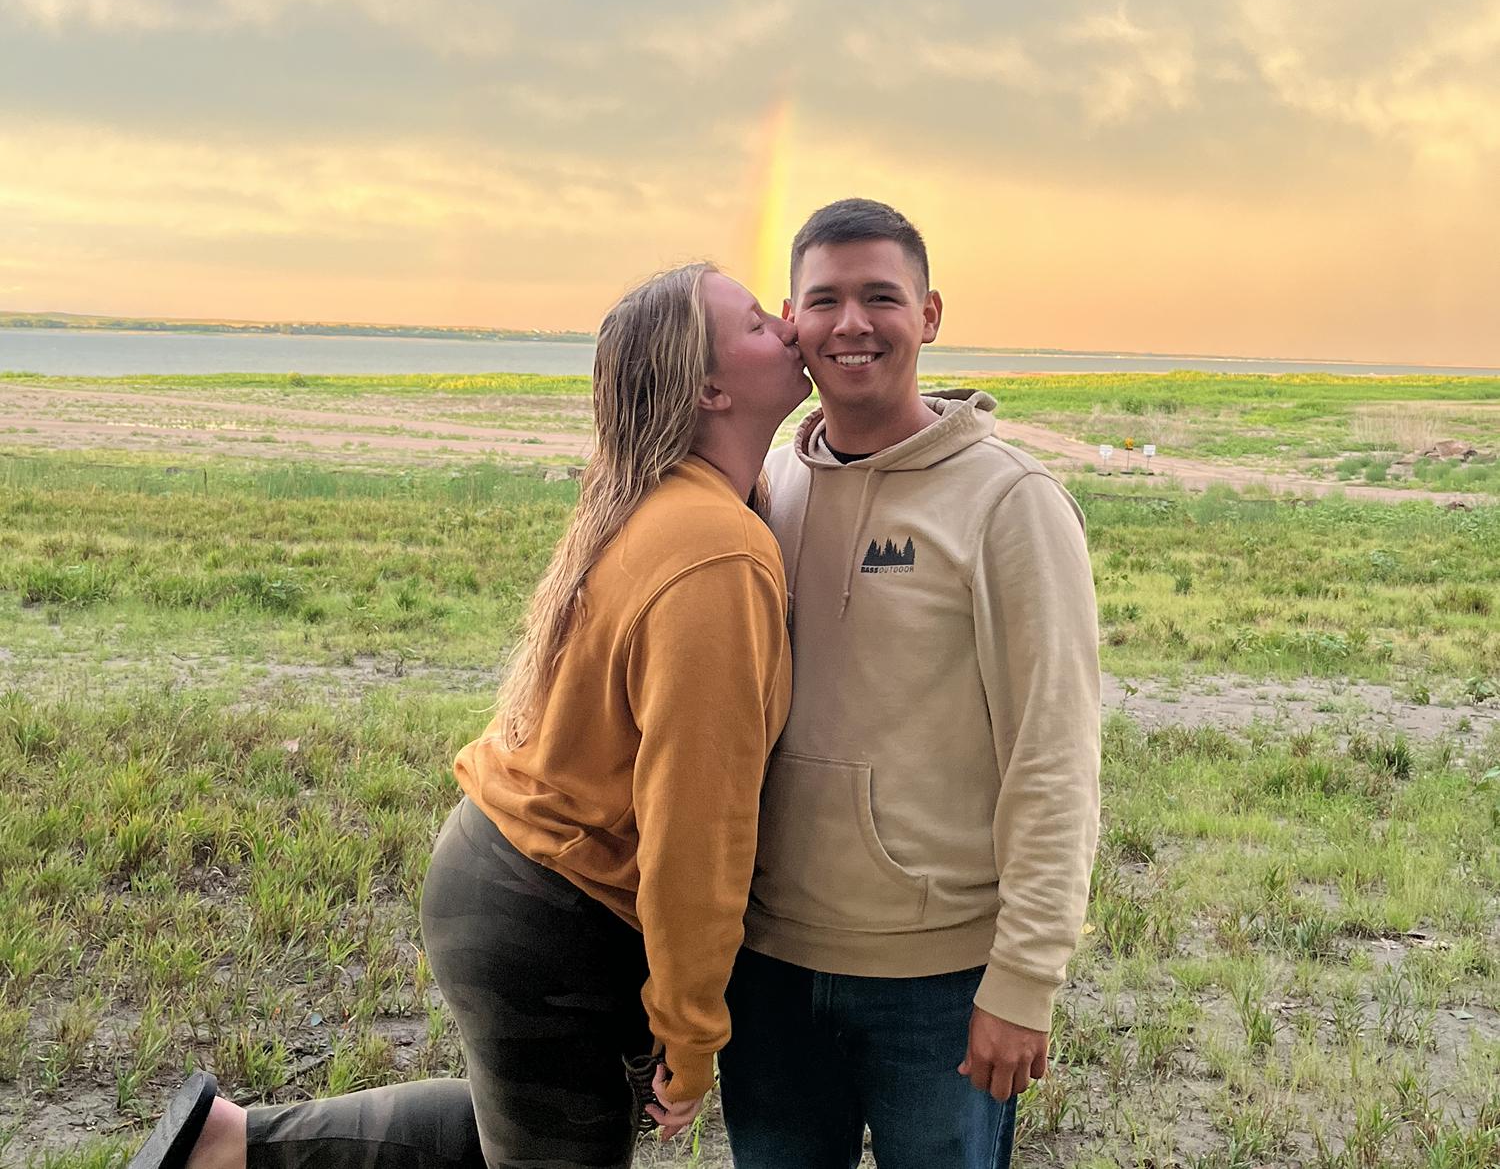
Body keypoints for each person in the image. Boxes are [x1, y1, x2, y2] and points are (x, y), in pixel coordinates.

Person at [130, 263, 812, 1169]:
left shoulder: (679, 504)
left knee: (527, 1126)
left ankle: (230, 1146)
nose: (794, 327)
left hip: (505, 887)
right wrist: (690, 1034)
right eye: (762, 322)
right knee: (549, 1141)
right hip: (550, 922)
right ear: (710, 387)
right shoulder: (715, 551)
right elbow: (700, 821)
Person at [718, 200, 1102, 1169]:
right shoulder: (770, 486)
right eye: (826, 301)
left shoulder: (1011, 504)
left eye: (881, 297)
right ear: (793, 326)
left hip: (938, 982)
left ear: (929, 315)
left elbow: (1054, 760)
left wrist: (1025, 980)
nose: (853, 324)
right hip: (768, 970)